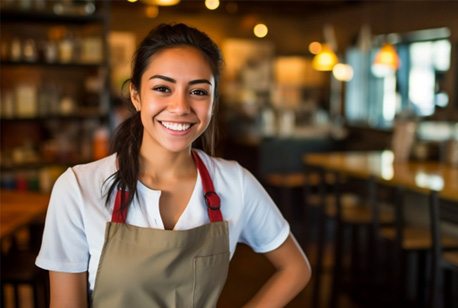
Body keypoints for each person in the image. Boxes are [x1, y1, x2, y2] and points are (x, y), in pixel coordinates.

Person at [36, 23, 311, 308]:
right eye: (163, 88)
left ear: (213, 103)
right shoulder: (78, 188)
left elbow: (296, 268)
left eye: (199, 92)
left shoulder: (234, 183)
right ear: (136, 95)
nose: (180, 107)